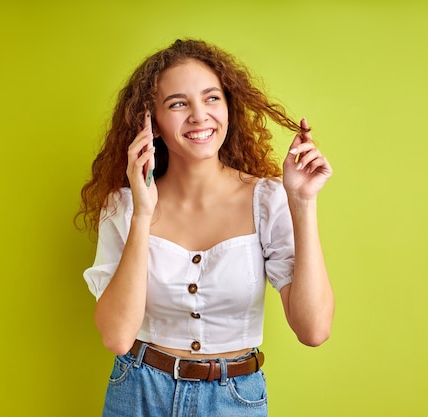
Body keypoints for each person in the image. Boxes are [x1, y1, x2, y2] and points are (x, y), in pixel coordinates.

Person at [77, 38, 334, 417]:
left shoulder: (267, 199)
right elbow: (117, 337)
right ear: (152, 122)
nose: (200, 115)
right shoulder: (125, 205)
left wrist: (302, 202)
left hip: (234, 398)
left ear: (228, 107)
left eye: (212, 98)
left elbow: (313, 331)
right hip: (138, 392)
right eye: (178, 103)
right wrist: (143, 215)